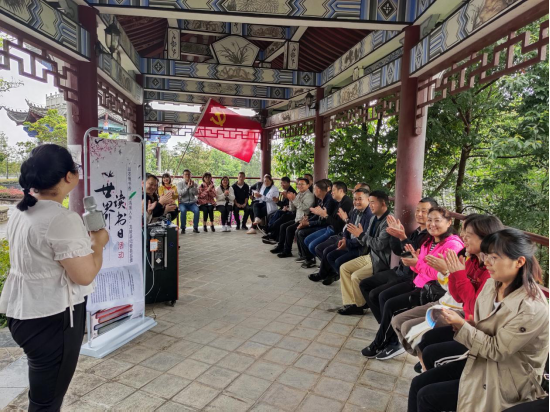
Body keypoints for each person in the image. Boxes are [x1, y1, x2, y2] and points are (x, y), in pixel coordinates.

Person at [0, 144, 109, 411]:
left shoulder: (21, 211)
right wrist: (98, 243)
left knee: (42, 393)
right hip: (52, 319)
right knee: (47, 401)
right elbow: (85, 275)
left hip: (24, 311)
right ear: (68, 176)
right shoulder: (61, 219)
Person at [408, 229, 549, 412]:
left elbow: (497, 351)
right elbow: (478, 317)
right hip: (481, 359)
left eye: (494, 257)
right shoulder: (492, 284)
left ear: (519, 262)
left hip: (508, 377)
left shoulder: (531, 308)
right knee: (418, 384)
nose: (487, 262)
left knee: (427, 396)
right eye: (486, 255)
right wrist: (463, 323)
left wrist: (462, 326)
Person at [391, 214, 504, 372]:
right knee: (399, 322)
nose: (463, 237)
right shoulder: (468, 258)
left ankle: (427, 364)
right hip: (448, 301)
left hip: (470, 318)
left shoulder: (488, 267)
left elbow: (472, 308)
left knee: (414, 331)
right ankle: (425, 361)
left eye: (468, 234)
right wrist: (450, 273)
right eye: (429, 219)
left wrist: (455, 273)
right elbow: (456, 294)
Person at [361, 207, 464, 361]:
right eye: (430, 220)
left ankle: (382, 342)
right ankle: (388, 335)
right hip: (418, 282)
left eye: (437, 220)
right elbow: (416, 264)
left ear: (449, 222)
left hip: (433, 290)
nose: (431, 224)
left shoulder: (453, 246)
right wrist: (410, 256)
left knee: (390, 304)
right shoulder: (427, 240)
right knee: (380, 295)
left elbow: (438, 274)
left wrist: (416, 262)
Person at [359, 198, 438, 324]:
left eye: (424, 211)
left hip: (410, 276)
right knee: (365, 284)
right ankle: (384, 324)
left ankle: (386, 326)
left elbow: (412, 257)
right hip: (399, 271)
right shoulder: (417, 231)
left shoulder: (430, 237)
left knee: (378, 295)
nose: (419, 214)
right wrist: (395, 236)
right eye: (417, 210)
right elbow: (398, 251)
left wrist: (403, 237)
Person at [335, 190, 393, 314]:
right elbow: (365, 239)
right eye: (370, 202)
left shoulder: (389, 221)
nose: (370, 205)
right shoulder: (374, 218)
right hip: (370, 255)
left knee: (356, 276)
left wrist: (360, 235)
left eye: (373, 202)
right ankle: (351, 302)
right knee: (344, 268)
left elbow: (379, 245)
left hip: (380, 260)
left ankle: (359, 305)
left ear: (383, 203)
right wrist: (356, 237)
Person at [299, 181, 353, 268]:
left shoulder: (346, 203)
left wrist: (324, 215)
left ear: (341, 191)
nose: (331, 192)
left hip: (336, 231)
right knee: (307, 240)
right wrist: (321, 215)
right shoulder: (338, 201)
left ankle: (328, 268)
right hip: (329, 227)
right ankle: (325, 265)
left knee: (314, 247)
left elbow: (338, 226)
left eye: (333, 190)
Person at [269, 178, 315, 257]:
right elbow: (292, 209)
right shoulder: (299, 194)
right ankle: (280, 247)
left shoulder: (310, 196)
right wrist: (290, 200)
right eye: (298, 184)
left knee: (289, 229)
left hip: (304, 219)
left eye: (302, 184)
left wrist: (294, 199)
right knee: (283, 226)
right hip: (297, 218)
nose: (300, 186)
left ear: (308, 185)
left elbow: (304, 208)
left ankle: (287, 251)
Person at [292, 180, 337, 260]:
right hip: (320, 223)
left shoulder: (329, 200)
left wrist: (309, 223)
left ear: (318, 190)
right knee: (298, 230)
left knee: (301, 232)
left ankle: (309, 258)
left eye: (314, 189)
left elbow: (324, 221)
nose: (313, 191)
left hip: (326, 226)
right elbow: (317, 215)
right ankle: (304, 255)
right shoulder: (321, 199)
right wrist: (307, 220)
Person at [262, 177, 297, 244]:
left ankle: (269, 229)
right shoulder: (285, 191)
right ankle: (272, 234)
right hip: (286, 209)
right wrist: (277, 201)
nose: (282, 185)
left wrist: (280, 202)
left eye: (284, 183)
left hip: (291, 212)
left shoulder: (291, 192)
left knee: (279, 215)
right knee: (271, 215)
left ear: (288, 183)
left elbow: (289, 205)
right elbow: (283, 204)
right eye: (281, 183)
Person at [177, 169, 200, 234]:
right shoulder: (180, 184)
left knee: (197, 210)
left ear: (191, 175)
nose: (187, 176)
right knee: (183, 211)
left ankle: (195, 227)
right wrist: (187, 187)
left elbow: (196, 193)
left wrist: (192, 187)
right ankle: (183, 228)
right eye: (186, 174)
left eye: (189, 174)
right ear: (183, 176)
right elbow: (180, 193)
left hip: (192, 203)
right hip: (183, 203)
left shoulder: (194, 184)